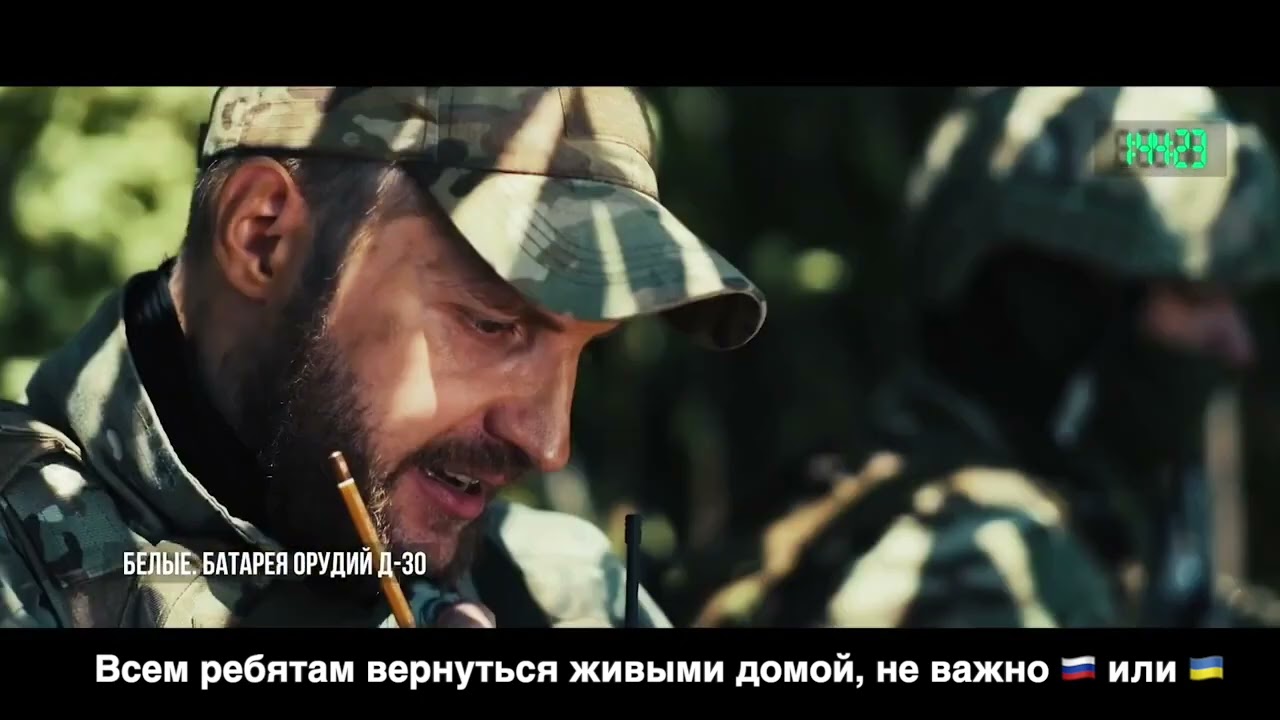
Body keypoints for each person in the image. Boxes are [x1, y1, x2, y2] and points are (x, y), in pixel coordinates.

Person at [0, 86, 766, 629]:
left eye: (585, 354)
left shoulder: (563, 591)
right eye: (493, 324)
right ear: (264, 237)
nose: (548, 443)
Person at [694, 86, 1280, 628]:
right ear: (1057, 305)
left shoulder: (876, 491)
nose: (1237, 343)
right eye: (1195, 295)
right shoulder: (990, 565)